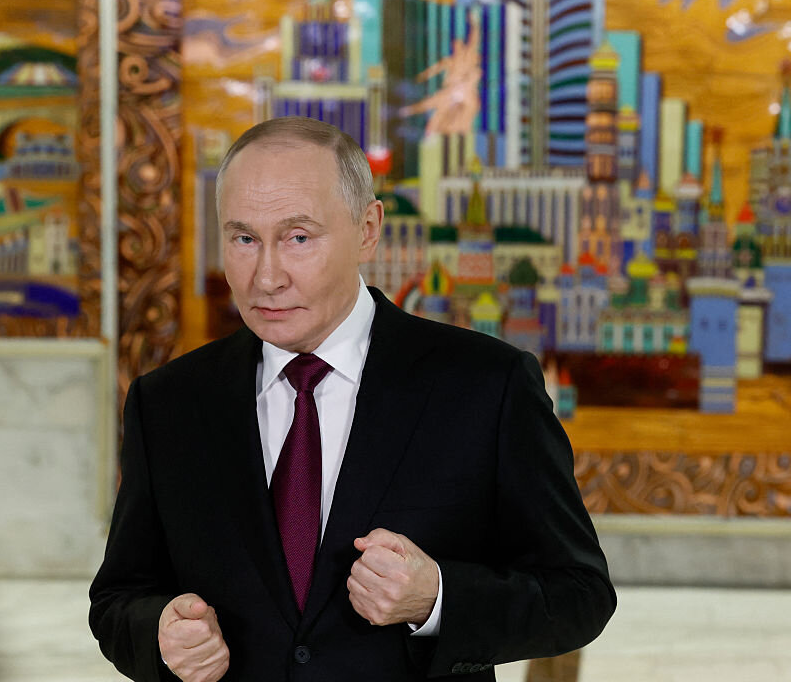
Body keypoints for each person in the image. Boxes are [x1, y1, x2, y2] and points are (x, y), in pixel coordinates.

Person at [89, 117, 615, 682]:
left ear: (368, 230)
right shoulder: (167, 402)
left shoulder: (488, 385)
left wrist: (437, 599)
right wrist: (160, 634)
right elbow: (119, 599)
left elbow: (579, 594)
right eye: (244, 239)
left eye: (298, 238)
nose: (266, 277)